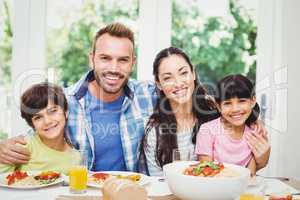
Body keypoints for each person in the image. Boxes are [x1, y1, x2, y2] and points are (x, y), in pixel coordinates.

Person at [0, 23, 269, 173]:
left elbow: (187, 92)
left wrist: (249, 119)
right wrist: (4, 149)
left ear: (132, 63)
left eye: (123, 60)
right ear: (91, 58)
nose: (114, 68)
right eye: (105, 58)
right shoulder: (66, 101)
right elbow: (38, 132)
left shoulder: (146, 93)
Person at [0, 83, 80, 174]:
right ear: (32, 124)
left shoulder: (77, 157)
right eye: (38, 117)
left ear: (66, 111)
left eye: (53, 111)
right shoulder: (22, 147)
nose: (47, 121)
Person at [195, 74, 261, 176]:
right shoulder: (207, 130)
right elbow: (206, 171)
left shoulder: (255, 132)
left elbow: (251, 175)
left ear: (252, 101)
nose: (235, 109)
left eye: (242, 101)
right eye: (227, 103)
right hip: (214, 187)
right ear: (219, 106)